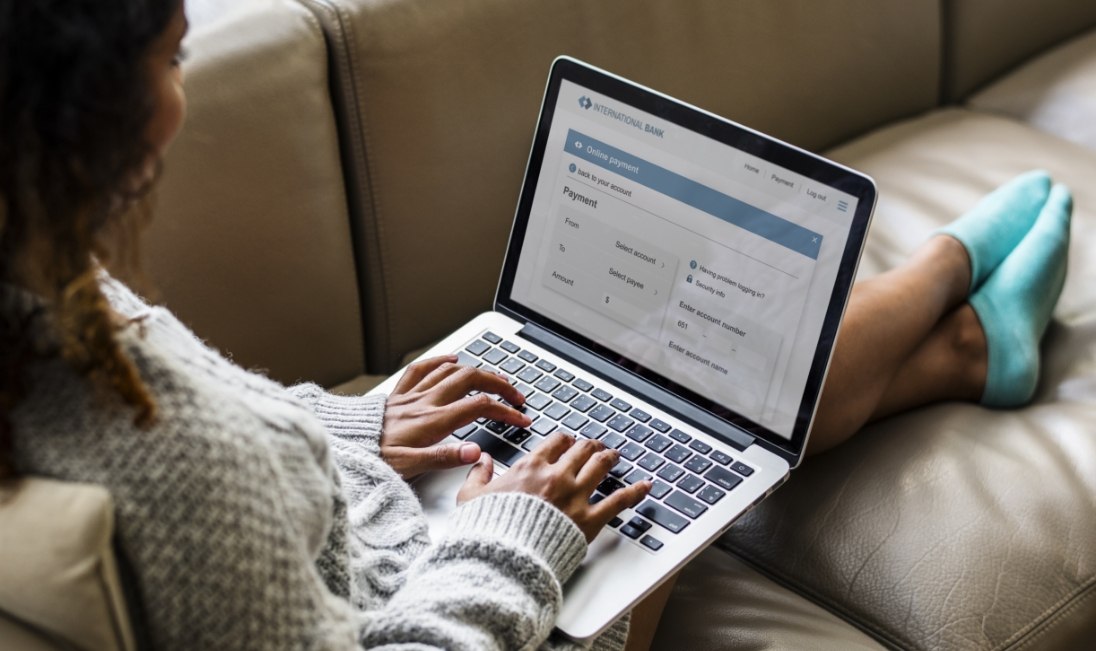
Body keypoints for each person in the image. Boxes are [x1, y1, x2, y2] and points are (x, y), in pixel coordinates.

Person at [0, 1, 1072, 650]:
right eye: (175, 57)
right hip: (491, 605)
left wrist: (346, 432)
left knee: (659, 397)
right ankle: (947, 274)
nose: (181, 93)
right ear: (77, 105)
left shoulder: (38, 288)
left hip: (392, 534)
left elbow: (204, 428)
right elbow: (203, 482)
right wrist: (519, 532)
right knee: (682, 398)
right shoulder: (175, 474)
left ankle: (965, 350)